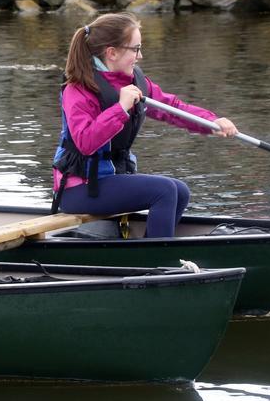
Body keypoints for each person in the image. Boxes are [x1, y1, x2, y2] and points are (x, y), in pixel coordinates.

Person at [51, 13, 238, 238]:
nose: (140, 56)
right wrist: (120, 109)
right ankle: (159, 260)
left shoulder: (133, 80)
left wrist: (210, 122)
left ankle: (150, 249)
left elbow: (172, 107)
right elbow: (85, 143)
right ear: (112, 52)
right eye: (135, 49)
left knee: (180, 191)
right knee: (165, 191)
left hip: (109, 180)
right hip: (79, 189)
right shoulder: (78, 89)